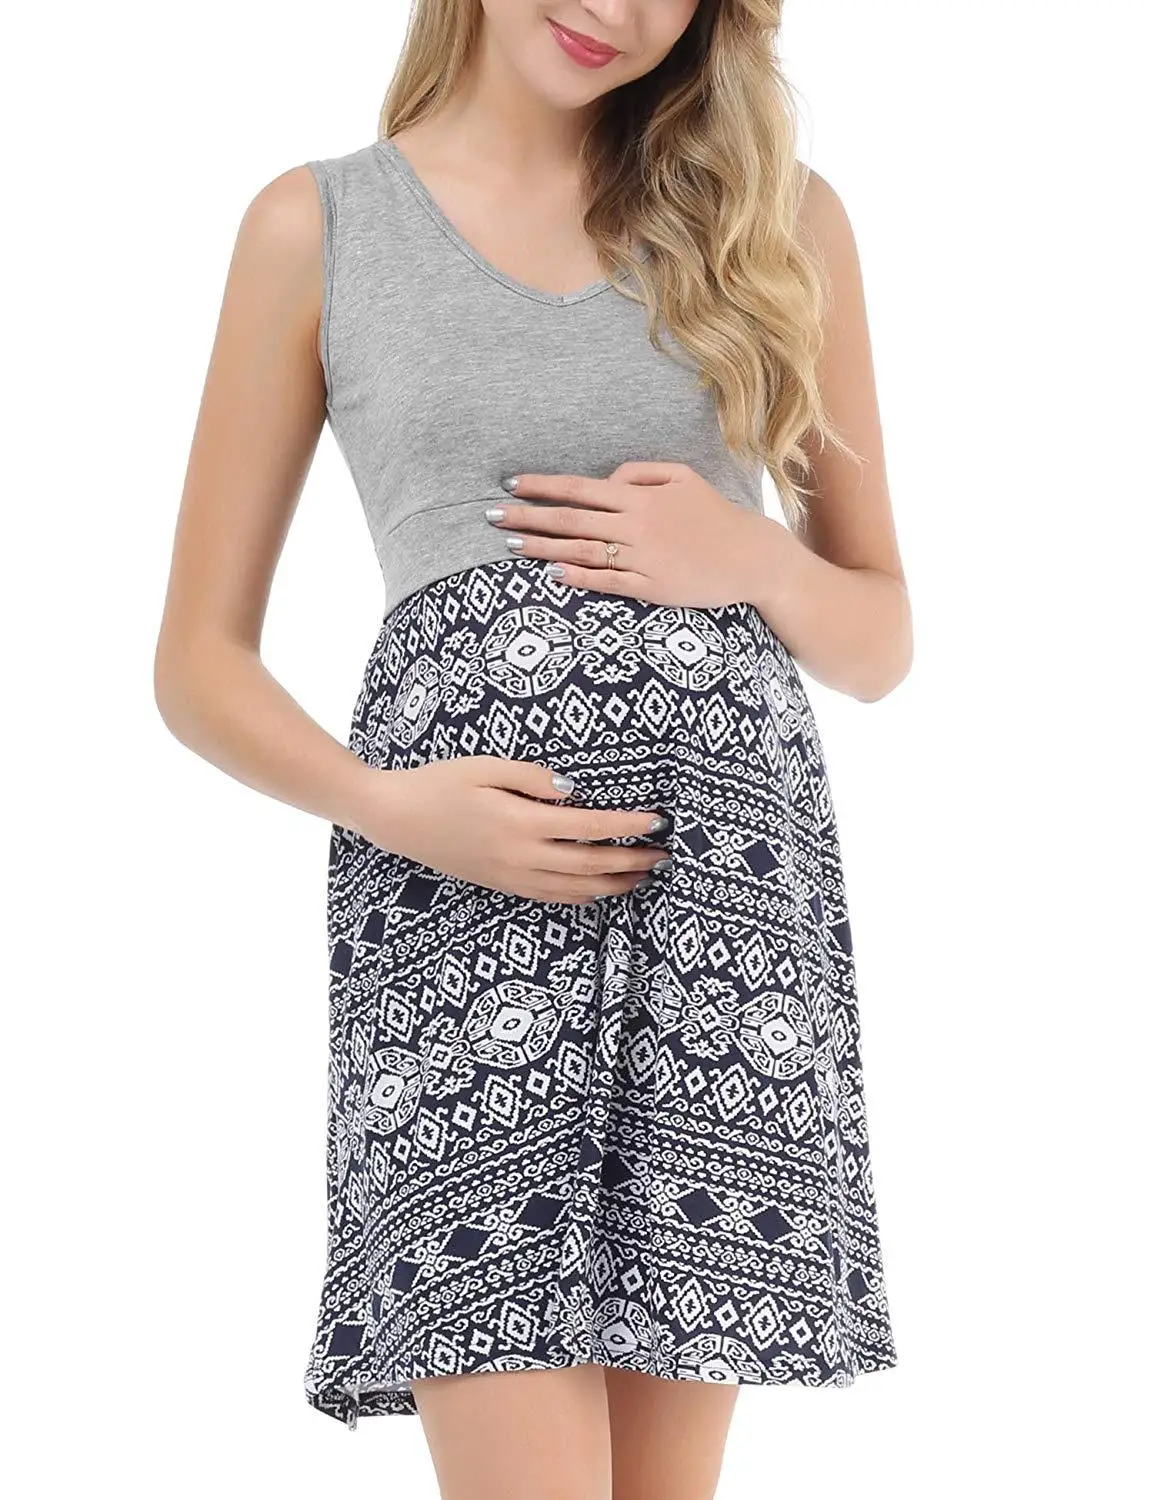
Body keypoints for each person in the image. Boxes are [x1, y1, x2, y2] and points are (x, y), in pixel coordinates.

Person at [154, 2, 910, 1495]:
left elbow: (880, 641)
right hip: (457, 908)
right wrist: (387, 807)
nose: (615, 10)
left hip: (722, 913)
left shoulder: (773, 219)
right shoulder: (317, 227)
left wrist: (749, 555)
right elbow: (195, 664)